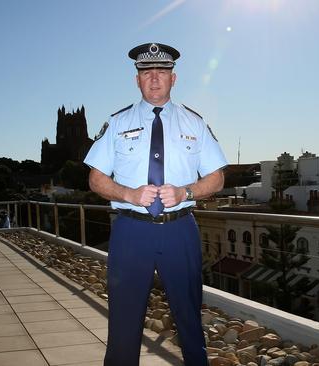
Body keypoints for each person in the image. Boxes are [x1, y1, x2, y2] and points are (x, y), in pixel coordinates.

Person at [84, 42, 227, 366]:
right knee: (123, 318)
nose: (154, 79)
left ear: (173, 79)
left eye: (161, 72)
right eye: (146, 72)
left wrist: (186, 192)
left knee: (189, 315)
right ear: (137, 80)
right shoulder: (117, 122)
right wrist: (128, 194)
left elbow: (217, 178)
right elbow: (95, 178)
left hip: (181, 231)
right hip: (131, 232)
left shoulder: (195, 123)